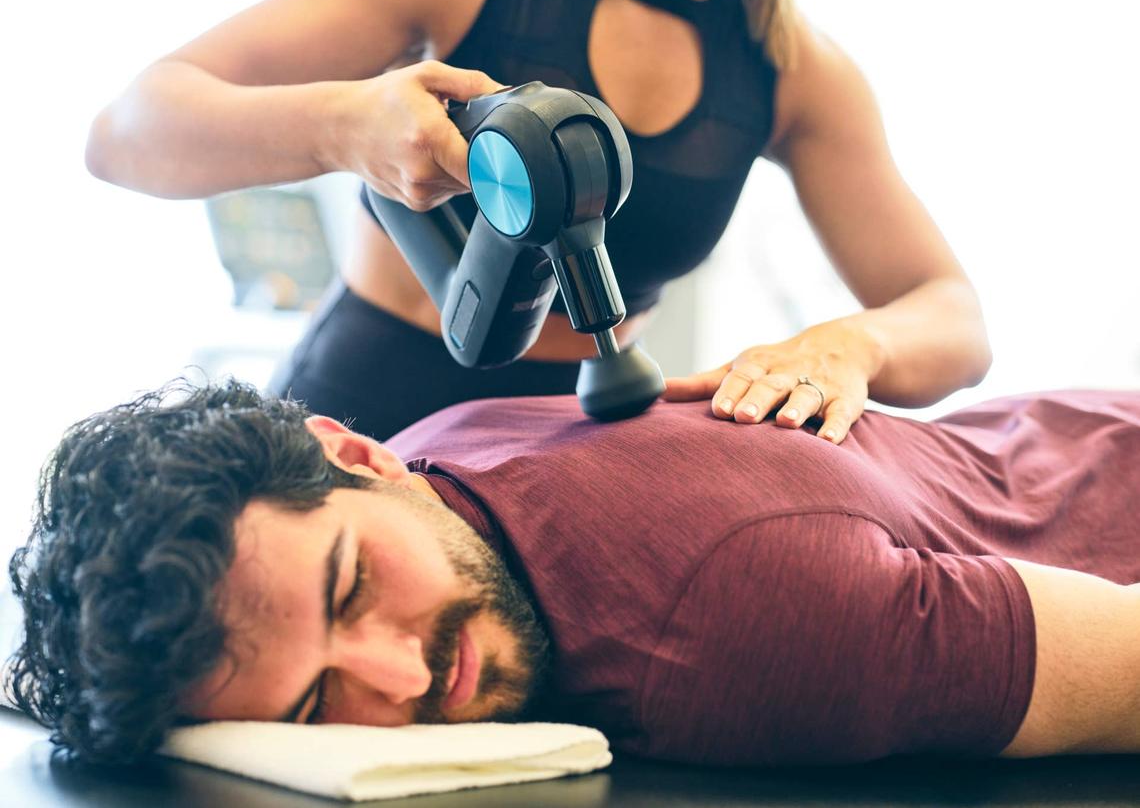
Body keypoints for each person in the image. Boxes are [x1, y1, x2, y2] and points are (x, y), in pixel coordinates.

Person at [84, 0, 993, 441]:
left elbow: (954, 318)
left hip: (578, 457)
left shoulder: (795, 68)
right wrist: (340, 127)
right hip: (364, 414)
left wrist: (847, 345)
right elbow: (125, 134)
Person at [7, 378, 1140, 767]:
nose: (398, 683)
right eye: (314, 707)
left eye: (351, 589)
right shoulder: (443, 448)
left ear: (352, 453)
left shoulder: (724, 632)